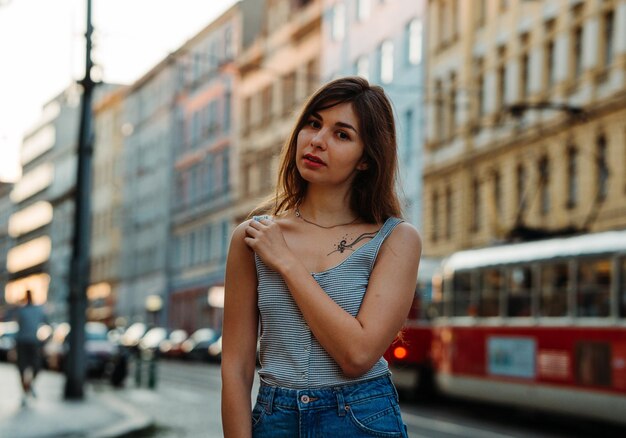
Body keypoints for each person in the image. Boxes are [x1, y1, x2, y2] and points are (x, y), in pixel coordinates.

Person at [221, 76, 422, 437]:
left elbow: (357, 355)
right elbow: (236, 367)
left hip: (361, 419)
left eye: (341, 134)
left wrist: (286, 262)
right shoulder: (251, 239)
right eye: (313, 124)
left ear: (366, 159)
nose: (317, 140)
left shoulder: (396, 240)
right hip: (274, 419)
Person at [14, 289, 48, 406]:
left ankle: (29, 385)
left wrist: (44, 341)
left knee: (37, 367)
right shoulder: (22, 310)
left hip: (33, 342)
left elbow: (46, 323)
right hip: (22, 342)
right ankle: (25, 391)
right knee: (22, 368)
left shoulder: (38, 310)